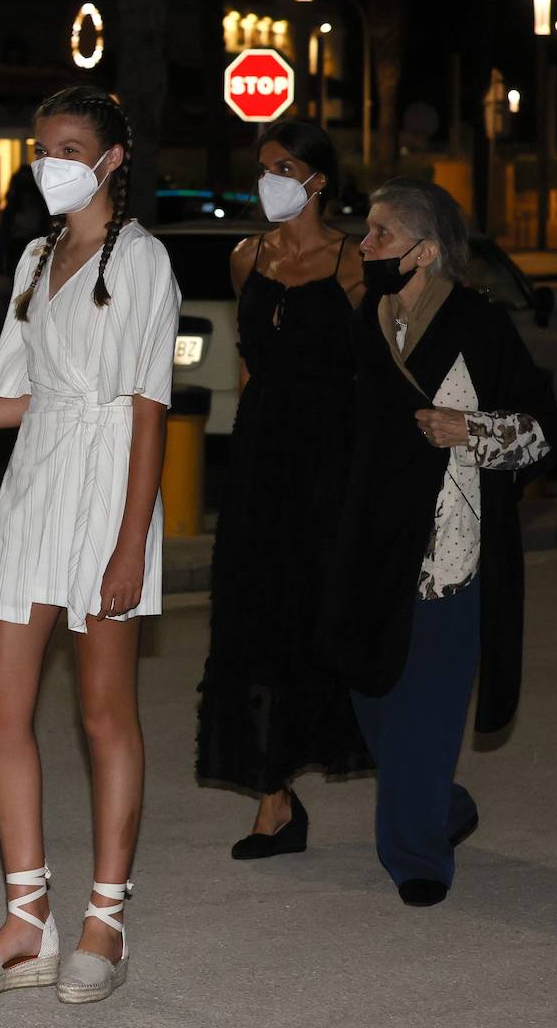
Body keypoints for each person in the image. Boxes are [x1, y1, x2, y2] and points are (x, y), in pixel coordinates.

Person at [0, 87, 177, 1006]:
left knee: (101, 710)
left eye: (72, 147)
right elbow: (19, 399)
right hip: (36, 483)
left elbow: (151, 416)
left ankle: (104, 923)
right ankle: (25, 919)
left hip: (110, 487)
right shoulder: (38, 255)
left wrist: (130, 546)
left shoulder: (145, 260)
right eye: (43, 148)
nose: (52, 163)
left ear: (114, 158)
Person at [326, 178, 557, 907]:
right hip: (372, 547)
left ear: (426, 251)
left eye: (382, 237)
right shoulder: (367, 323)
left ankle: (418, 856)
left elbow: (545, 430)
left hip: (450, 555)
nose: (365, 248)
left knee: (425, 714)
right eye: (366, 234)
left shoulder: (480, 326)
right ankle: (440, 805)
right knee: (369, 699)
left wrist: (472, 430)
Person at [194, 121, 372, 858]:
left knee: (331, 621)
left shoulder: (355, 261)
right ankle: (274, 804)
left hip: (328, 467)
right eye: (263, 167)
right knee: (253, 617)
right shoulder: (246, 258)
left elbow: (374, 372)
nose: (269, 178)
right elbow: (247, 363)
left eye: (285, 166)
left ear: (318, 181)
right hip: (261, 464)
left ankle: (421, 787)